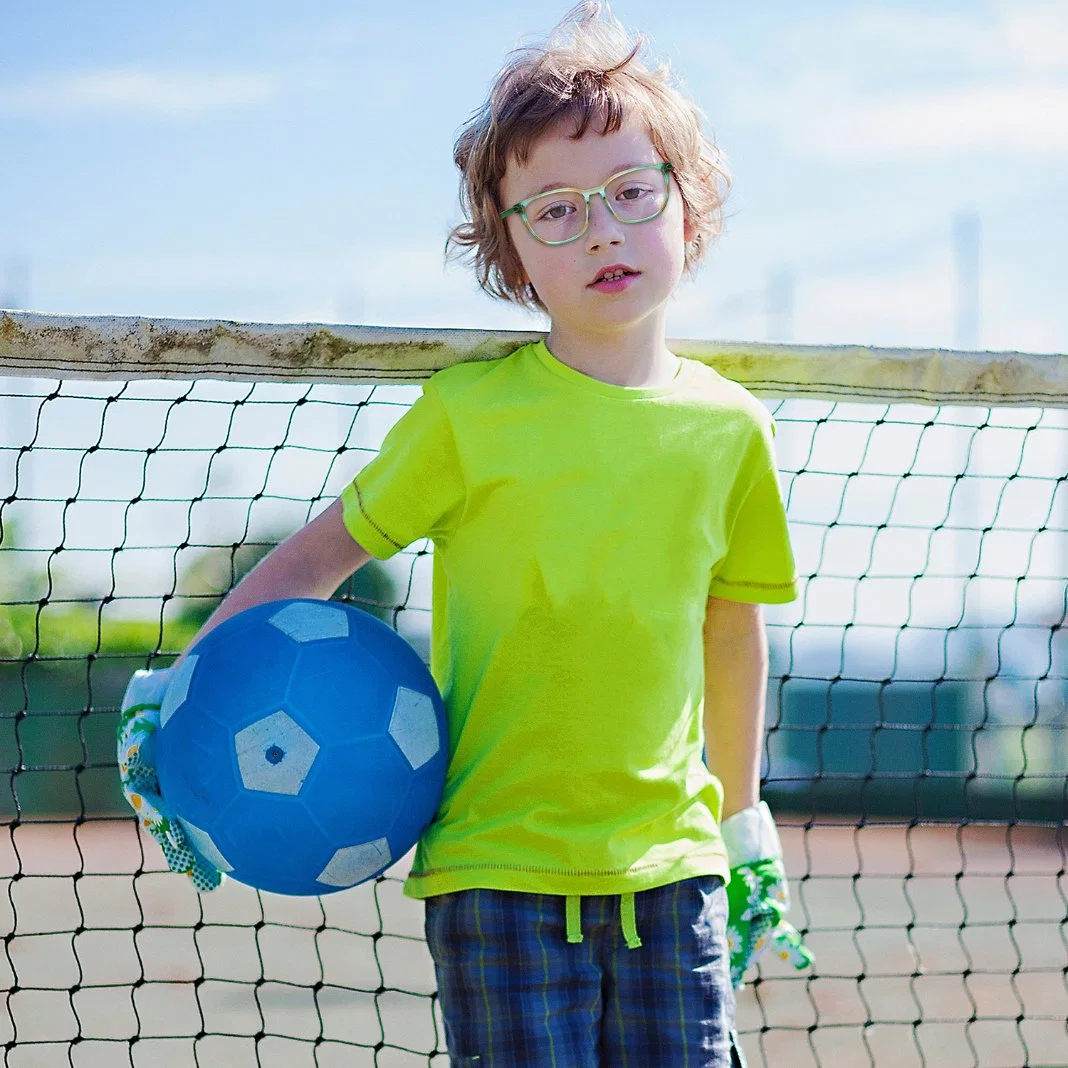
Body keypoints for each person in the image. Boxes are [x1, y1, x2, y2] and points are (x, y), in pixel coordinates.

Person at [119, 2, 812, 1063]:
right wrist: (180, 683)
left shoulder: (732, 432)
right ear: (509, 250)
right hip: (497, 876)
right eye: (556, 212)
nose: (603, 231)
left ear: (689, 205)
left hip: (676, 879)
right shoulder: (466, 417)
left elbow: (732, 630)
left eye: (632, 192)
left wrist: (742, 822)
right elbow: (317, 561)